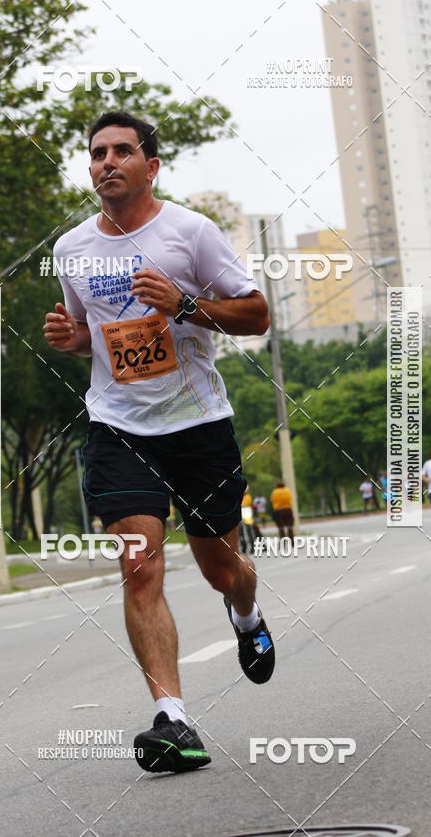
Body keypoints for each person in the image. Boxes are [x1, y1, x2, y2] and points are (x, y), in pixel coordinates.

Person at [43, 111, 275, 774]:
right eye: (96, 153)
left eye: (121, 151)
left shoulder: (190, 233)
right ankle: (174, 721)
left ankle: (247, 611)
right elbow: (91, 334)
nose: (105, 162)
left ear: (152, 165)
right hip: (118, 424)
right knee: (140, 566)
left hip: (198, 425)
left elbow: (255, 315)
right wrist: (74, 341)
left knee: (220, 569)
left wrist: (183, 305)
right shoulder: (72, 250)